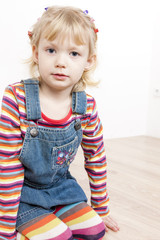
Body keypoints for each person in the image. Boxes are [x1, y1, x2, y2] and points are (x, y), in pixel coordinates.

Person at [0, 6, 119, 240]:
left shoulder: (86, 107)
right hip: (21, 192)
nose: (61, 62)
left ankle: (51, 215)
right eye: (51, 50)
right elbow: (8, 167)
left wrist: (101, 206)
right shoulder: (16, 99)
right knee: (59, 237)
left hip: (60, 189)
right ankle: (29, 220)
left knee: (95, 230)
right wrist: (5, 230)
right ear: (36, 53)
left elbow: (95, 155)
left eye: (74, 53)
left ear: (89, 60)